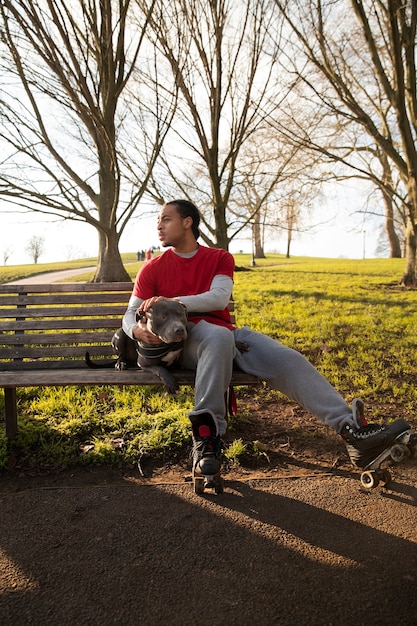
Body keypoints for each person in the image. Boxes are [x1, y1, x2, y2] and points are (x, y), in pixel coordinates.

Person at [123, 199, 410, 478]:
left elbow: (219, 297)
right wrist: (137, 331)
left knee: (287, 359)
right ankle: (207, 439)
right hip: (186, 344)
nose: (158, 226)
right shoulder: (152, 268)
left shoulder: (218, 258)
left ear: (188, 222)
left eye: (165, 219)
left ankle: (353, 432)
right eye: (158, 221)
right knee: (218, 336)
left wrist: (173, 302)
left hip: (230, 336)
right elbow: (129, 316)